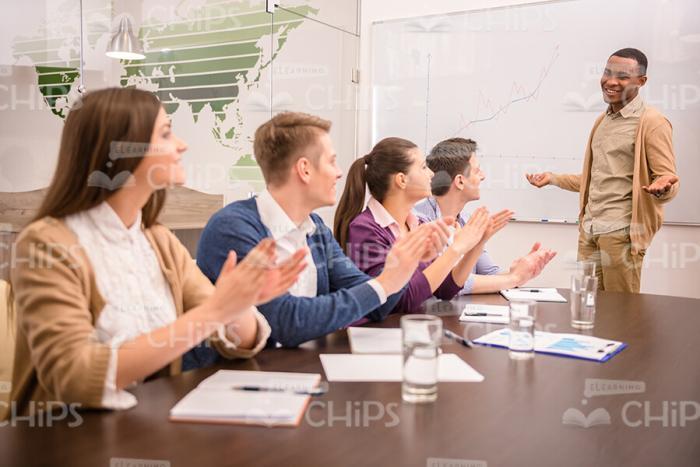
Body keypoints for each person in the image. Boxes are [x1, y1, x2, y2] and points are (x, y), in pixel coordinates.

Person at [3, 88, 306, 420]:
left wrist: (237, 306)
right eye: (166, 132)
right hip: (62, 440)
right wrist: (215, 310)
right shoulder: (46, 244)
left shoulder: (158, 241)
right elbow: (74, 377)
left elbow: (238, 341)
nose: (182, 145)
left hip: (144, 427)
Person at [197, 112, 441, 348]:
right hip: (240, 377)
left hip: (303, 368)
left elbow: (377, 304)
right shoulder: (233, 228)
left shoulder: (316, 230)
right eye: (332, 161)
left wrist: (404, 266)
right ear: (304, 169)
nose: (339, 172)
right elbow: (286, 323)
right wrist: (386, 282)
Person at [526, 48, 679, 292]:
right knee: (588, 308)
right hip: (590, 230)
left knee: (622, 314)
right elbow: (595, 179)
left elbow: (667, 180)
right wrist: (553, 179)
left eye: (622, 76)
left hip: (622, 233)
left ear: (641, 81)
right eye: (607, 72)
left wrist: (662, 188)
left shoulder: (651, 122)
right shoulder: (602, 120)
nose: (611, 81)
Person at [334, 137, 508, 314]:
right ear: (402, 180)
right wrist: (455, 249)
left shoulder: (417, 225)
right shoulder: (366, 229)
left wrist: (476, 243)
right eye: (424, 167)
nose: (432, 174)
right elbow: (402, 300)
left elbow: (446, 289)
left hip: (410, 329)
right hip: (381, 334)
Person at [415, 137, 556, 294]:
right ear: (460, 181)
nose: (483, 176)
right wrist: (513, 278)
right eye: (477, 170)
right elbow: (448, 283)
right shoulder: (420, 220)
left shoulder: (467, 221)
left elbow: (489, 275)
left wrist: (523, 271)